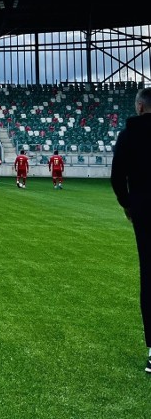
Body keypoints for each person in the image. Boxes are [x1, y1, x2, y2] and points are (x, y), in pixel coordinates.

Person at [111, 86, 151, 373]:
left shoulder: (130, 135)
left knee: (150, 277)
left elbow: (117, 177)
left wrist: (128, 205)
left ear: (139, 107)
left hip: (145, 211)